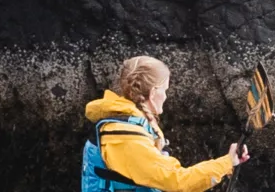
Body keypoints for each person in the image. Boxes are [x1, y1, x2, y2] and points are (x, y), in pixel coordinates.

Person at [81, 56, 252, 192]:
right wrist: (225, 163)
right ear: (154, 92)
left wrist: (229, 163)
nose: (166, 96)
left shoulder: (131, 123)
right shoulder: (125, 137)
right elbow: (178, 182)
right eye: (165, 90)